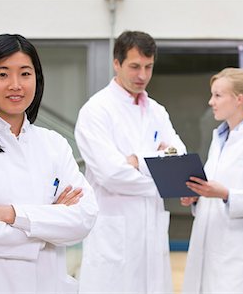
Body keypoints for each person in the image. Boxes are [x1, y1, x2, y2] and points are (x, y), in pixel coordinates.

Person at [0, 34, 98, 294]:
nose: (16, 85)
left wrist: (11, 214)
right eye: (2, 74)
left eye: (25, 74)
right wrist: (46, 229)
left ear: (37, 79)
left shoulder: (54, 143)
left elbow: (84, 218)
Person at [75, 30, 186, 293]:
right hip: (114, 233)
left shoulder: (157, 111)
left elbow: (179, 156)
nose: (143, 76)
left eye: (148, 67)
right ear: (117, 63)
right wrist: (162, 172)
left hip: (152, 231)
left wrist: (137, 161)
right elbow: (111, 175)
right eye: (135, 66)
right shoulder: (96, 111)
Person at [181, 68, 243, 293]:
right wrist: (197, 196)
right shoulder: (220, 138)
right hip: (210, 246)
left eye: (218, 95)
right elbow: (213, 188)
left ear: (239, 99)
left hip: (239, 254)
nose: (211, 102)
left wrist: (226, 194)